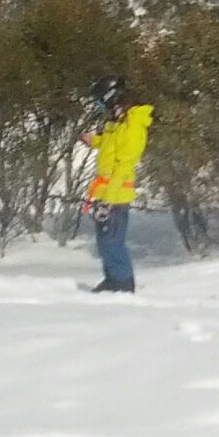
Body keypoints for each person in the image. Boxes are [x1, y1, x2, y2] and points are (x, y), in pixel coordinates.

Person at [80, 75, 152, 293]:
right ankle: (112, 279)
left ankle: (123, 283)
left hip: (117, 195)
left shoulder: (132, 126)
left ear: (111, 98)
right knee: (104, 242)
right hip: (105, 191)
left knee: (112, 241)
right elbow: (111, 145)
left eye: (101, 102)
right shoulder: (117, 122)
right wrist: (95, 140)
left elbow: (124, 163)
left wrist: (109, 200)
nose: (100, 107)